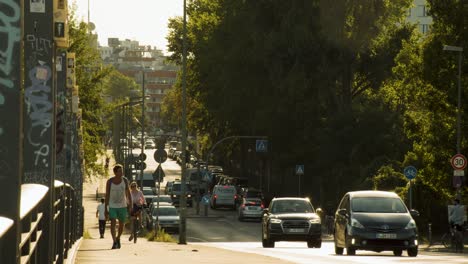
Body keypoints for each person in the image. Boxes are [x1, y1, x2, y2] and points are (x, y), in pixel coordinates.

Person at [105, 164, 131, 249]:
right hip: (112, 205)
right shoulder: (110, 181)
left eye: (122, 170)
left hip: (122, 205)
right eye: (120, 171)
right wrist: (106, 208)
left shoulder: (125, 180)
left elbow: (128, 193)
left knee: (121, 224)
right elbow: (107, 195)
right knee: (113, 223)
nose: (122, 172)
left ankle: (118, 237)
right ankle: (114, 241)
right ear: (115, 172)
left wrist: (130, 204)